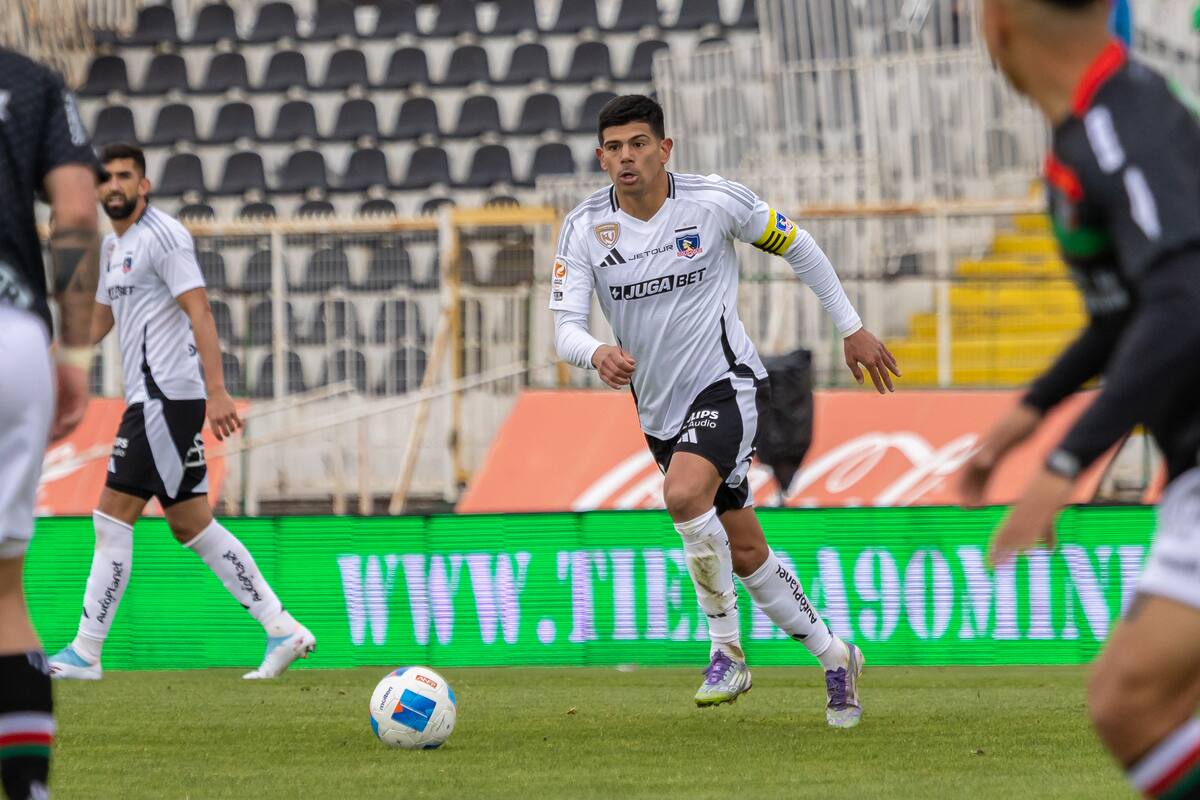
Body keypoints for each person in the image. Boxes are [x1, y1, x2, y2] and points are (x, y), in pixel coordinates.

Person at [550, 95, 900, 727]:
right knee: (745, 553)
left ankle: (726, 651)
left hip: (727, 385)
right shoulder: (583, 229)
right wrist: (595, 351)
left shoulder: (713, 202)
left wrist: (850, 326)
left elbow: (799, 245)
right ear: (601, 157)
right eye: (613, 147)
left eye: (637, 143)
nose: (626, 157)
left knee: (684, 497)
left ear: (664, 148)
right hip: (658, 412)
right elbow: (565, 330)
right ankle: (836, 655)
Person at [965, 1, 1200, 796]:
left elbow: (1184, 300)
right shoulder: (1101, 123)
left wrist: (1064, 463)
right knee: (1140, 701)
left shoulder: (1120, 123)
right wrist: (1028, 415)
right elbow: (1128, 312)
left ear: (996, 20)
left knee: (1128, 700)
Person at [47, 143, 315, 682]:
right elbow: (101, 321)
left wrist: (217, 393)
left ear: (143, 185)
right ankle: (282, 628)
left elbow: (200, 312)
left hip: (165, 398)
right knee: (192, 523)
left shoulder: (165, 238)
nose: (115, 185)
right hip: (156, 401)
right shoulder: (112, 248)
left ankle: (85, 652)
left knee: (110, 518)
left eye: (126, 176)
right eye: (107, 178)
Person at [0, 47, 102, 800]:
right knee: (4, 594)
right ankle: (30, 792)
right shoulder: (31, 81)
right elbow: (74, 211)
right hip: (15, 336)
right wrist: (72, 352)